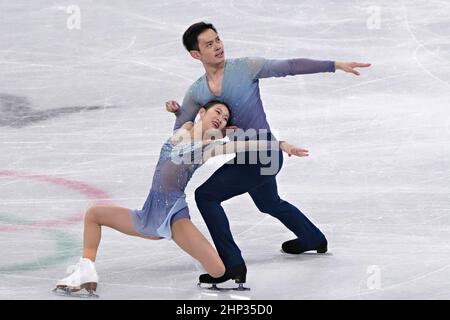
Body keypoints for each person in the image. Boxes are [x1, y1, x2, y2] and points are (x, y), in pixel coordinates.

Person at [165, 22, 371, 286]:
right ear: (196, 55)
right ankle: (313, 239)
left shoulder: (245, 67)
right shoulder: (197, 91)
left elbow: (289, 66)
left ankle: (232, 264)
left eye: (218, 40)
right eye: (209, 44)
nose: (218, 46)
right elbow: (181, 132)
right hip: (245, 156)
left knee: (206, 196)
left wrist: (334, 64)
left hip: (265, 154)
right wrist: (177, 113)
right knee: (268, 202)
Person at [53, 101, 309, 297]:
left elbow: (245, 146)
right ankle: (86, 269)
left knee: (219, 272)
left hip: (175, 215)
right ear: (202, 112)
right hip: (148, 214)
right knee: (94, 214)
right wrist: (177, 112)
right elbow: (184, 127)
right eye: (217, 112)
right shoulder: (185, 129)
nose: (221, 118)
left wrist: (282, 145)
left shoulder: (210, 148)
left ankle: (223, 272)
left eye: (225, 117)